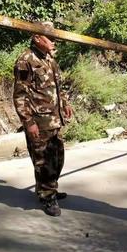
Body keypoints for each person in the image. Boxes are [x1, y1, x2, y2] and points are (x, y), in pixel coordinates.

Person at [13, 21, 73, 217]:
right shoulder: (25, 60)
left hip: (55, 119)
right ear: (37, 38)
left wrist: (65, 103)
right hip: (39, 121)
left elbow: (58, 87)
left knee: (57, 157)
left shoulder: (50, 58)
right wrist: (28, 122)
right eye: (51, 38)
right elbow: (20, 95)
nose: (55, 42)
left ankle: (50, 188)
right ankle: (47, 196)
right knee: (43, 160)